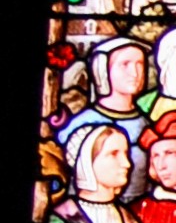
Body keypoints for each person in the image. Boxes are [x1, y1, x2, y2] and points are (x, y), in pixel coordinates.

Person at [59, 36, 152, 204]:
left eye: (140, 64)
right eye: (125, 64)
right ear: (102, 71)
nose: (135, 73)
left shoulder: (146, 124)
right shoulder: (82, 124)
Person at [54, 123, 138, 223]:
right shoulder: (61, 217)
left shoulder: (129, 220)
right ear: (87, 161)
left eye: (126, 154)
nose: (127, 164)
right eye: (114, 154)